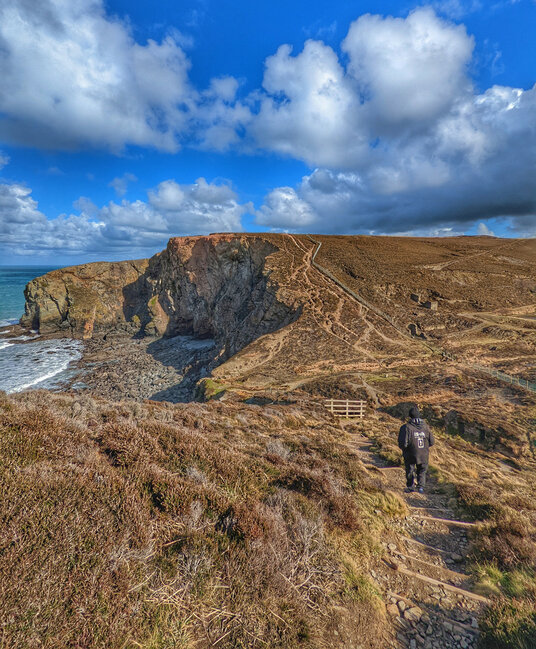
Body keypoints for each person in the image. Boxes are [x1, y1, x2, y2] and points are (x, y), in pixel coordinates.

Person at [398, 406, 435, 493]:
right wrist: (425, 447)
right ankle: (421, 487)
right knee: (422, 470)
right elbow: (432, 442)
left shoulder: (406, 427)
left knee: (410, 469)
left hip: (411, 453)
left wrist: (404, 449)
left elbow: (403, 443)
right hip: (424, 453)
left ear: (409, 416)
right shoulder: (426, 427)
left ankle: (411, 486)